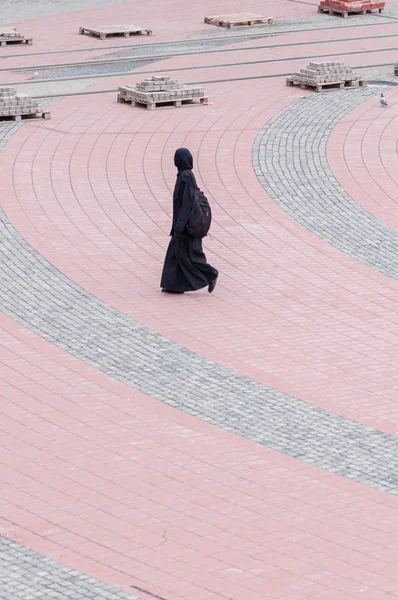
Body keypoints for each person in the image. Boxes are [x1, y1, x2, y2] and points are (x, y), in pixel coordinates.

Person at [160, 148, 218, 294]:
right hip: (183, 226)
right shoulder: (185, 175)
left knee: (191, 257)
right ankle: (173, 285)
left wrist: (180, 226)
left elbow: (187, 203)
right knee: (176, 254)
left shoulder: (185, 177)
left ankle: (211, 274)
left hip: (185, 227)